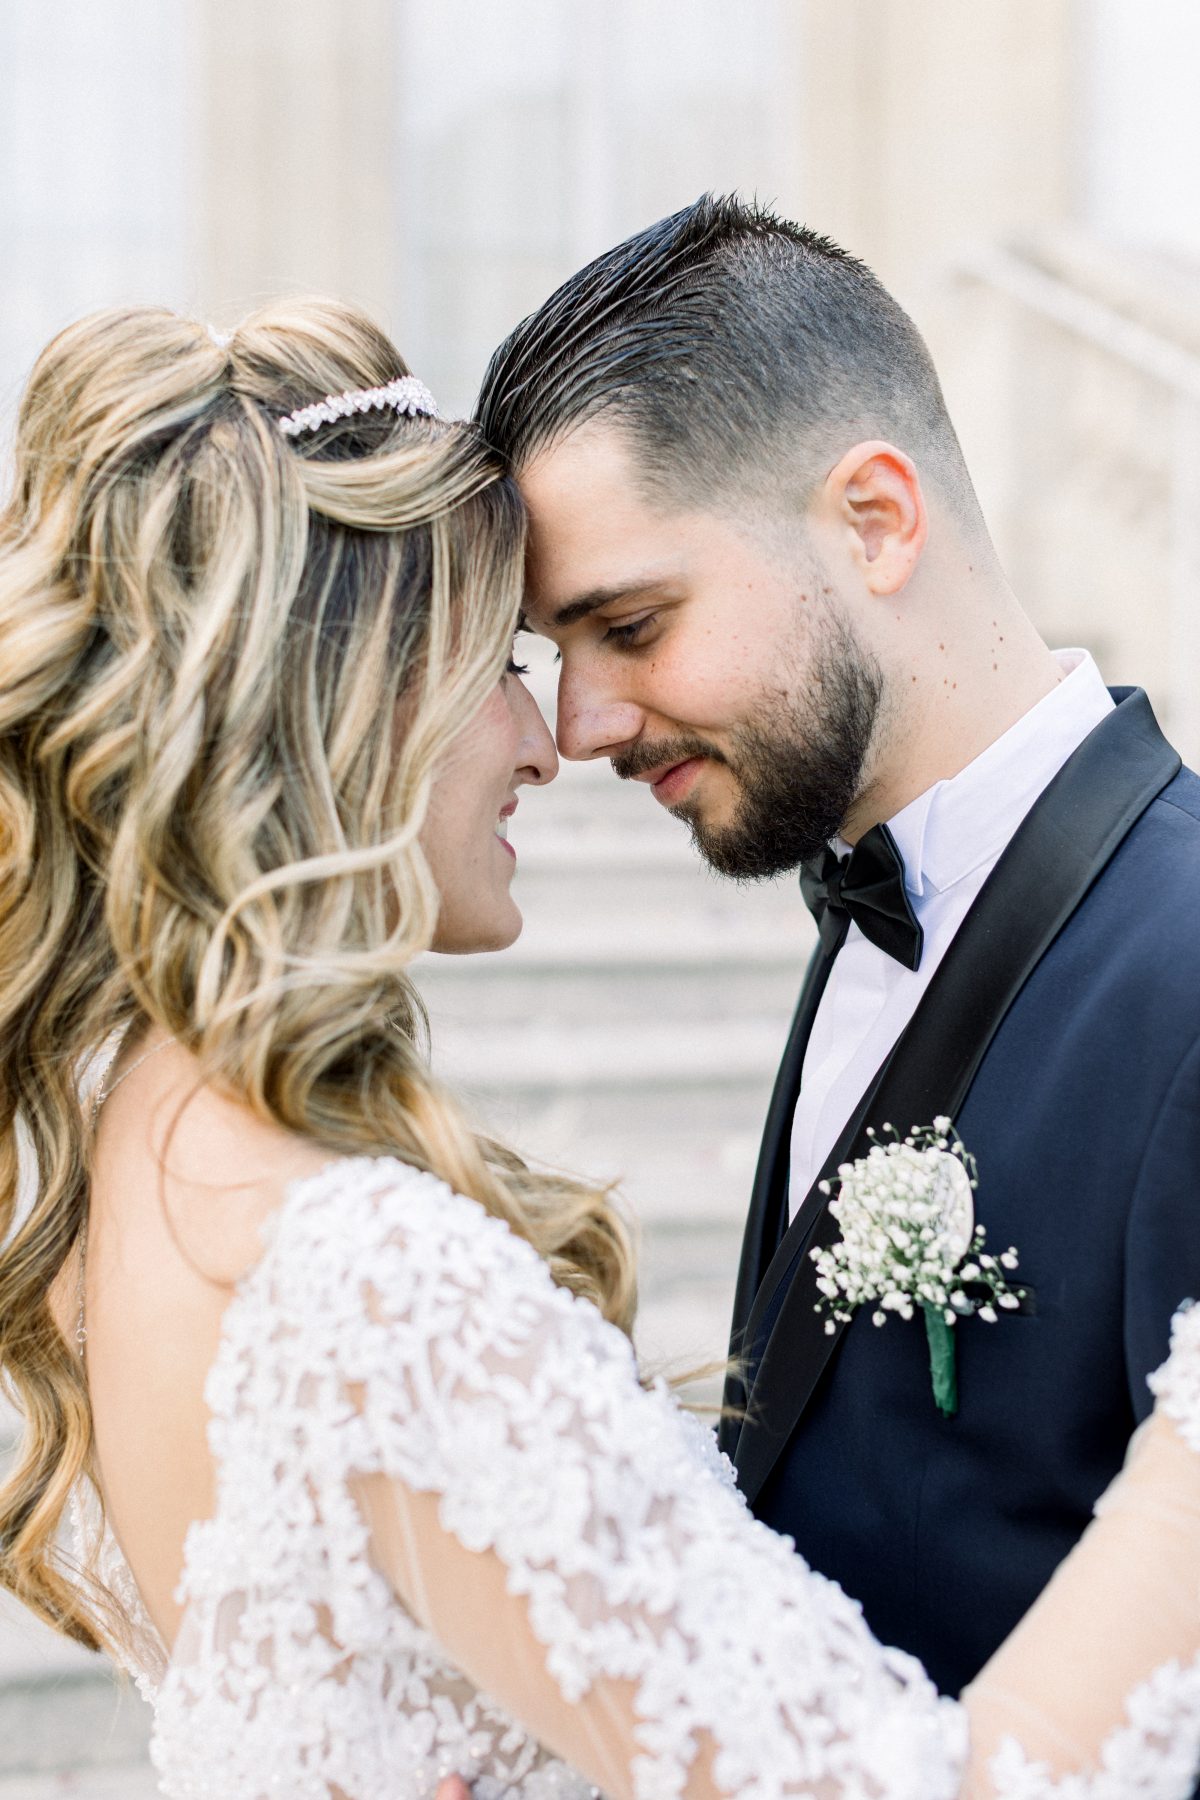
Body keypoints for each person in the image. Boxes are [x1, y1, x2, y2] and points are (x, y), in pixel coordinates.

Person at [0, 298, 1199, 1800]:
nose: (558, 732)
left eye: (622, 628)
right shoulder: (356, 1274)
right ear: (340, 699)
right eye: (508, 659)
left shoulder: (147, 1149)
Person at [475, 193, 1200, 1698]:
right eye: (559, 654)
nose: (581, 727)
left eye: (634, 625)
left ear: (875, 519)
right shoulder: (863, 878)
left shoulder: (1183, 970)